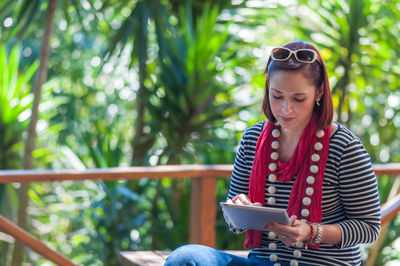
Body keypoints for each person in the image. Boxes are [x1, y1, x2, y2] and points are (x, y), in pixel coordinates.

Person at [165, 41, 381, 266]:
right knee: (185, 257)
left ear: (319, 92)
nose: (286, 109)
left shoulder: (344, 146)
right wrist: (240, 208)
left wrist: (311, 232)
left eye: (298, 98)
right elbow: (233, 219)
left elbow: (368, 228)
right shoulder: (253, 139)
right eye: (277, 96)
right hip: (262, 262)